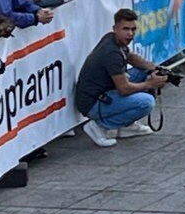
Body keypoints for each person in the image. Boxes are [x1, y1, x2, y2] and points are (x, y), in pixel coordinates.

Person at [73, 8, 174, 148]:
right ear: (115, 28)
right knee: (146, 103)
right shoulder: (111, 53)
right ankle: (99, 126)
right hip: (93, 103)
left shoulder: (112, 39)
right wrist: (150, 84)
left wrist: (153, 69)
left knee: (143, 72)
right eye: (125, 29)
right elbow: (124, 89)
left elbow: (130, 56)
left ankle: (126, 125)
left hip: (104, 91)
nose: (130, 34)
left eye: (133, 29)